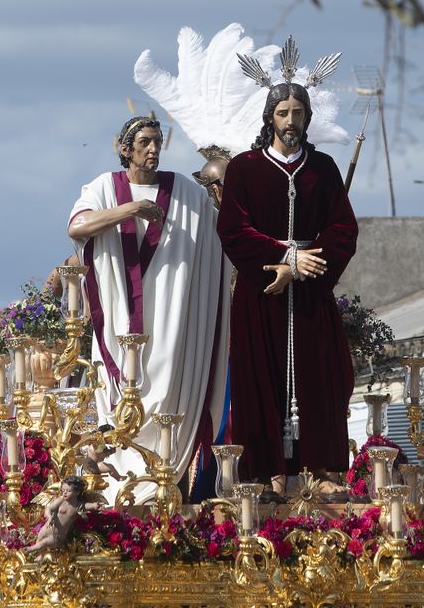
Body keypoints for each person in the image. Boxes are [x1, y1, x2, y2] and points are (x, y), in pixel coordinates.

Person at [218, 44, 359, 495]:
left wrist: (301, 266)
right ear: (269, 118)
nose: (291, 120)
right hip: (262, 293)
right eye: (283, 112)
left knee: (323, 376)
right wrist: (282, 260)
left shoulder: (323, 168)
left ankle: (322, 471)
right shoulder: (244, 168)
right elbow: (233, 230)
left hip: (311, 291)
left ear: (308, 117)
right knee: (259, 379)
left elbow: (343, 229)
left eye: (298, 112)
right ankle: (265, 474)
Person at [68, 117, 231, 501]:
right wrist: (133, 209)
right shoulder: (104, 187)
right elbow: (78, 226)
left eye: (158, 141)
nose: (154, 149)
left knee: (170, 410)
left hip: (171, 330)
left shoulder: (186, 193)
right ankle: (118, 492)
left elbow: (223, 231)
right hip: (118, 325)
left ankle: (164, 488)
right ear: (125, 149)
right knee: (117, 408)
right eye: (144, 142)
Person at [28, 476, 89, 553]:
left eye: (68, 491)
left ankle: (28, 549)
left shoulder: (78, 506)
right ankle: (36, 554)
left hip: (57, 536)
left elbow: (88, 509)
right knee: (39, 547)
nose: (65, 493)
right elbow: (48, 509)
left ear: (77, 492)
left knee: (43, 543)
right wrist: (49, 517)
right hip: (46, 529)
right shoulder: (60, 501)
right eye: (63, 490)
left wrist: (92, 508)